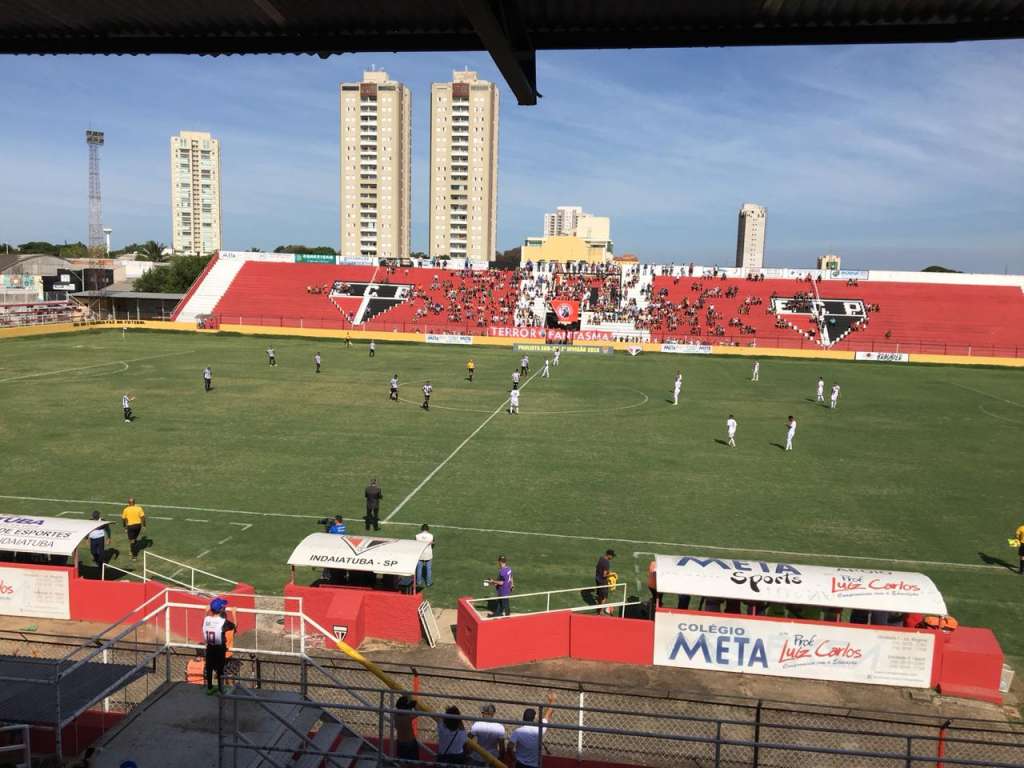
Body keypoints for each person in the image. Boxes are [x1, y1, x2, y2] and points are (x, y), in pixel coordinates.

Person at [507, 694, 556, 768]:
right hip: (534, 765)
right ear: (533, 718)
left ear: (523, 718)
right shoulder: (539, 730)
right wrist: (552, 701)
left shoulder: (517, 731)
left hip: (520, 764)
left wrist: (514, 760)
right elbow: (548, 714)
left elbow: (509, 748)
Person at [202, 596, 236, 695]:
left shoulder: (206, 619)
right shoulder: (223, 622)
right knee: (220, 669)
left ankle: (209, 688)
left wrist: (206, 612)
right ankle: (221, 689)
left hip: (209, 647)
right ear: (221, 609)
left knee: (209, 667)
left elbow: (205, 622)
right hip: (219, 648)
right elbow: (233, 626)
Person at [394, 695, 419, 762]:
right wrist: (414, 705)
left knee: (402, 762)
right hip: (410, 742)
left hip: (400, 742)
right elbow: (418, 712)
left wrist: (409, 706)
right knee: (414, 762)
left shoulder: (395, 715)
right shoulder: (409, 715)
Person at [415, 523, 434, 588]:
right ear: (428, 529)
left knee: (419, 568)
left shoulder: (417, 536)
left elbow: (415, 544)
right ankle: (429, 583)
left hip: (420, 554)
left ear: (422, 529)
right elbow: (433, 543)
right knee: (428, 569)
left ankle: (418, 582)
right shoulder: (431, 536)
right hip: (428, 554)